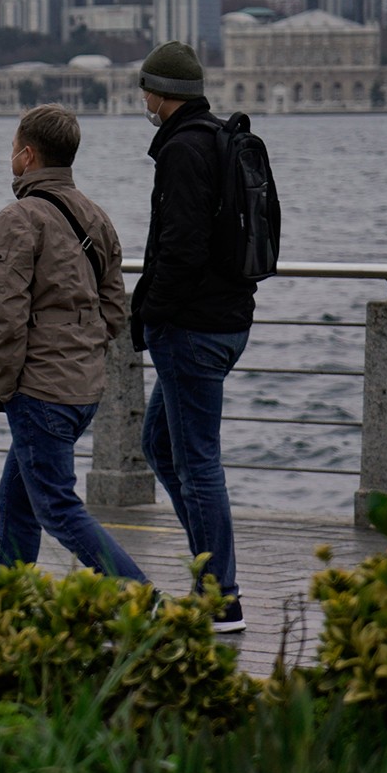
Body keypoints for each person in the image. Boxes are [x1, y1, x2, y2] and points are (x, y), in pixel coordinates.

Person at [0, 104, 148, 584]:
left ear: (28, 155)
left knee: (56, 508)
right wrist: (80, 348)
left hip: (40, 389)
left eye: (13, 147)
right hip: (82, 387)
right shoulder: (96, 216)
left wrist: (4, 383)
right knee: (15, 499)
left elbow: (6, 314)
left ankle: (141, 597)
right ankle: (5, 600)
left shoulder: (17, 219)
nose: (10, 155)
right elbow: (115, 309)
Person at [130, 41, 254, 633]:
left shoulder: (183, 151)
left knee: (198, 462)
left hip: (191, 329)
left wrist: (151, 315)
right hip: (228, 321)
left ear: (163, 93)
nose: (143, 101)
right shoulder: (220, 139)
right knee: (159, 445)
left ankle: (220, 598)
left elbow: (179, 249)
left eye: (146, 90)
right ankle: (209, 570)